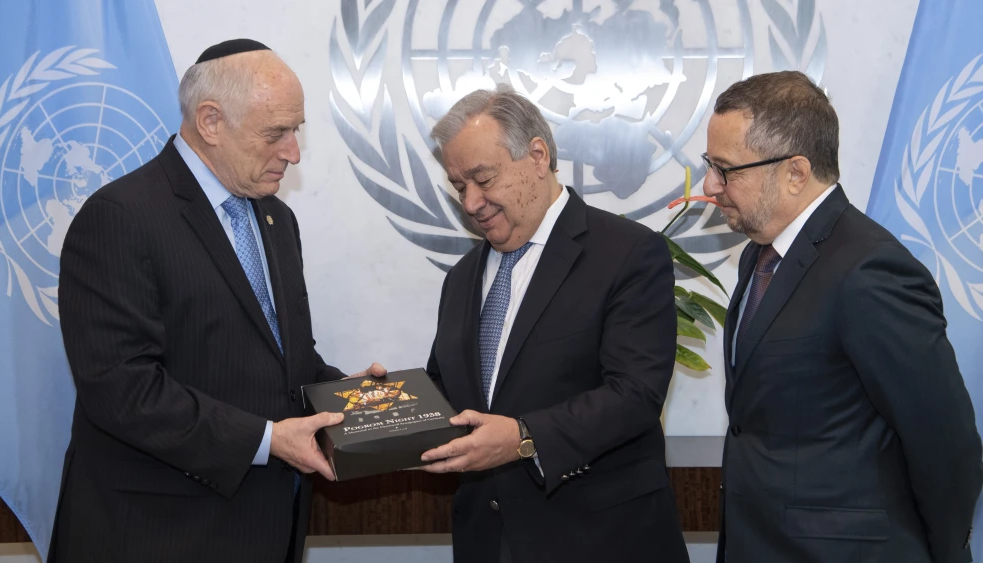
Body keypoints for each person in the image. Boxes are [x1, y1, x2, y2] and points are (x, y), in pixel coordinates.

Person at [49, 39, 383, 563]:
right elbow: (122, 390)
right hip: (157, 536)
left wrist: (349, 399)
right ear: (210, 121)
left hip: (266, 529)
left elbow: (285, 359)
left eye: (296, 131)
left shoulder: (276, 219)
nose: (293, 152)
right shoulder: (120, 217)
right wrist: (267, 439)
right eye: (276, 133)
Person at [704, 70, 983, 563]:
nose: (710, 185)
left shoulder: (870, 269)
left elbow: (946, 443)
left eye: (727, 169)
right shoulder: (760, 255)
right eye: (710, 165)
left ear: (795, 172)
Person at [419, 84, 689, 563]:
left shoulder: (628, 253)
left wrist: (525, 437)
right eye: (460, 186)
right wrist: (381, 405)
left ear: (537, 156)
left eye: (483, 178)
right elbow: (447, 394)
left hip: (600, 541)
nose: (471, 202)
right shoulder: (461, 279)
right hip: (487, 540)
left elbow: (635, 395)